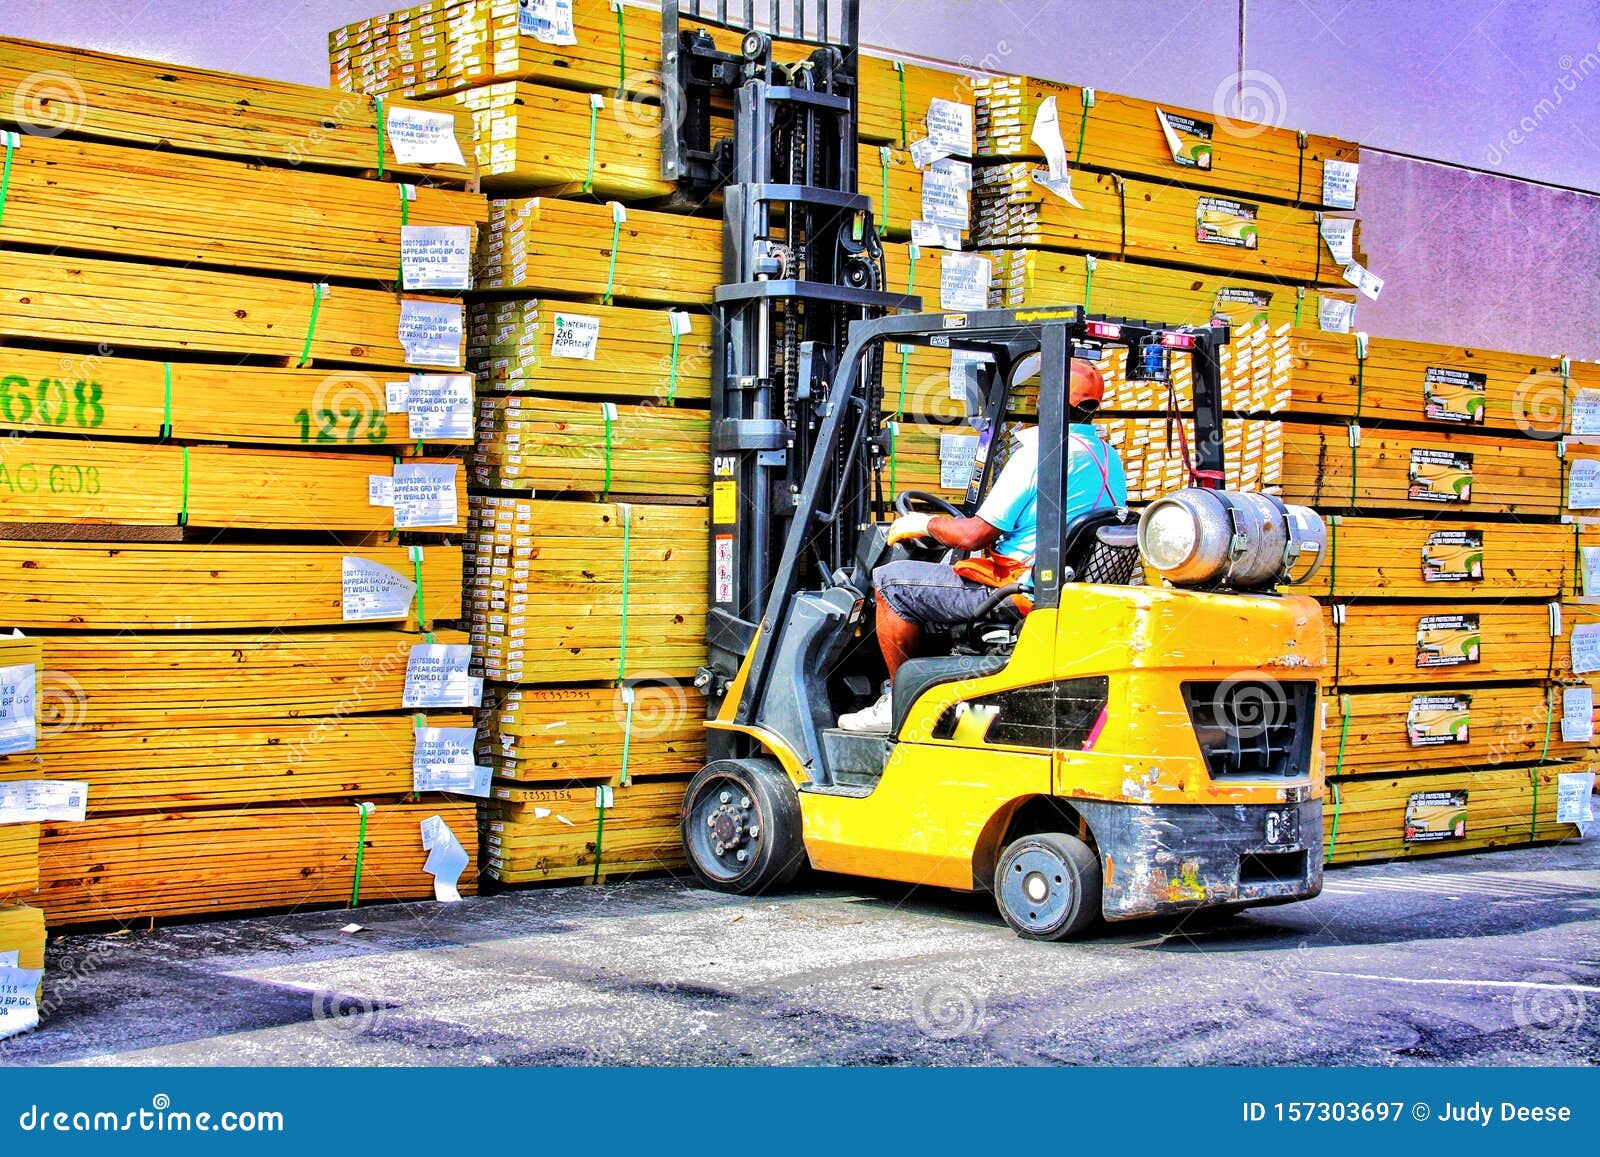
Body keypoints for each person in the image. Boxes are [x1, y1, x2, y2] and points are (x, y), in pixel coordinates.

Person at [838, 358, 1127, 733]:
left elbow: (975, 535)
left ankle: (900, 701)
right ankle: (935, 689)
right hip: (1067, 589)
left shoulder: (1041, 455)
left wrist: (921, 522)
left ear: (1045, 399)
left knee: (893, 582)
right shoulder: (1108, 457)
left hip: (1018, 592)